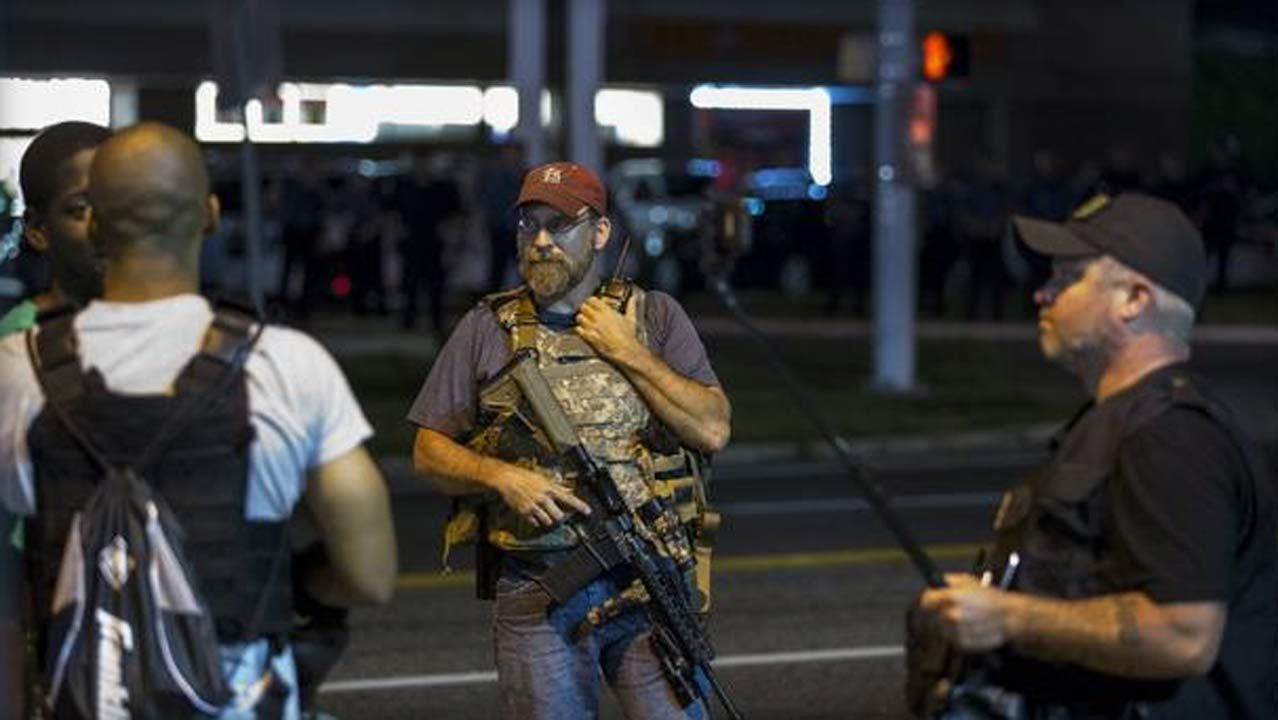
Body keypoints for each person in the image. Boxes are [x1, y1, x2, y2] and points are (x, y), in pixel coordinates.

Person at [0, 122, 398, 718]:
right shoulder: (286, 365)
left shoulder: (17, 369)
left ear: (97, 224)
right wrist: (291, 579)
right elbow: (370, 574)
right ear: (209, 214)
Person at [915, 192, 1278, 718]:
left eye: (1069, 278)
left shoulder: (1172, 437)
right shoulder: (1116, 422)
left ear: (1134, 299)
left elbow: (1183, 634)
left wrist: (1009, 617)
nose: (1043, 294)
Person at [409, 161, 731, 719]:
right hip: (540, 589)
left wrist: (627, 350)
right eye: (528, 226)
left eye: (559, 227)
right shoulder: (487, 328)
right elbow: (428, 450)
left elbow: (711, 427)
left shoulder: (653, 317)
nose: (540, 242)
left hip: (649, 584)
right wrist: (502, 477)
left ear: (601, 232)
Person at [0, 120, 111, 720]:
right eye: (80, 208)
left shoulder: (201, 338)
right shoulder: (16, 353)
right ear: (39, 231)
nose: (105, 224)